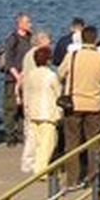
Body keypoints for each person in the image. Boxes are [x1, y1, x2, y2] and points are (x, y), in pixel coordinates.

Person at [57, 24, 100, 188]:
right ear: (96, 39)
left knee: (72, 143)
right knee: (93, 142)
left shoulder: (72, 56)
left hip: (74, 104)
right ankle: (92, 177)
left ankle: (72, 180)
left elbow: (60, 74)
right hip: (94, 104)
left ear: (81, 39)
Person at [24, 46, 63, 177]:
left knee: (37, 142)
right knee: (47, 143)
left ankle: (37, 165)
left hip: (33, 110)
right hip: (47, 112)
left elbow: (27, 91)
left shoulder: (31, 74)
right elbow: (58, 92)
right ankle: (41, 170)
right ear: (48, 60)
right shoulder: (51, 75)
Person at [20, 30, 52, 173]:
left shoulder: (28, 55)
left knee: (31, 130)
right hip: (35, 97)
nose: (50, 43)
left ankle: (31, 160)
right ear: (41, 41)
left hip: (29, 95)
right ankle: (30, 161)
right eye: (48, 40)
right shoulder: (35, 55)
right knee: (33, 132)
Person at [2, 13, 32, 146]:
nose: (30, 24)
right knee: (11, 108)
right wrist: (17, 76)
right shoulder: (12, 39)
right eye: (27, 22)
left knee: (24, 108)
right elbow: (8, 60)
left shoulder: (30, 38)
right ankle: (10, 136)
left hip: (27, 77)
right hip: (13, 78)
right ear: (20, 24)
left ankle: (21, 134)